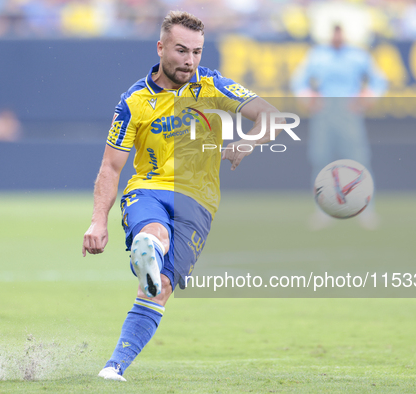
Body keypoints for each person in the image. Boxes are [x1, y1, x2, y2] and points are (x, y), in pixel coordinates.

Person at [83, 10, 282, 381]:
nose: (190, 60)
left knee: (161, 288)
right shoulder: (133, 101)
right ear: (161, 48)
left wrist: (248, 143)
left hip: (199, 202)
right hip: (149, 190)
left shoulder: (211, 85)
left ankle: (114, 367)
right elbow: (111, 167)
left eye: (197, 52)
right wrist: (98, 220)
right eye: (181, 50)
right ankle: (147, 250)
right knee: (153, 235)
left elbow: (271, 115)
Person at [290, 25, 388, 230]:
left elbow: (379, 79)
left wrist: (365, 98)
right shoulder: (318, 55)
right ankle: (323, 209)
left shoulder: (357, 56)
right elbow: (298, 79)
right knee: (321, 159)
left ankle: (365, 209)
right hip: (325, 110)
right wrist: (309, 98)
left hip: (348, 110)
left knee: (358, 159)